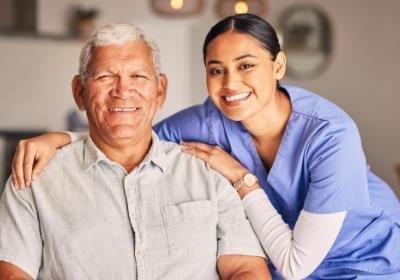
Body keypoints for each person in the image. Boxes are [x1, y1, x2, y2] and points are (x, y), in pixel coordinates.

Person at [10, 14, 400, 279]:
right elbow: (129, 129)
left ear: (278, 66)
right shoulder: (206, 121)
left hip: (364, 260)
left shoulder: (332, 135)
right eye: (217, 70)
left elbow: (296, 263)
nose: (231, 84)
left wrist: (241, 179)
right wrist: (62, 140)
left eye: (246, 65)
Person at [0, 23, 271, 280]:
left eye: (138, 76)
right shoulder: (34, 178)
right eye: (105, 76)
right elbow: (11, 271)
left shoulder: (207, 173)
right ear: (80, 93)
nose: (122, 91)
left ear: (160, 91)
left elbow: (246, 268)